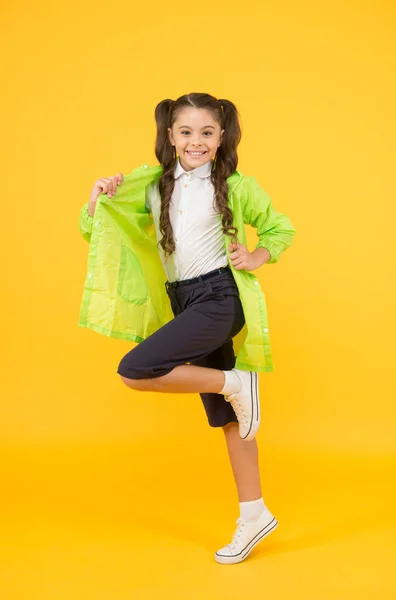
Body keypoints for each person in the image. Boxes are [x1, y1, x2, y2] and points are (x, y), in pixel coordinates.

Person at [79, 92, 296, 564]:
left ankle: (236, 382)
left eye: (207, 132)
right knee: (229, 417)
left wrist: (255, 255)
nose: (196, 141)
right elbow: (98, 229)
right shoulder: (152, 185)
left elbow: (281, 230)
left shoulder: (236, 186)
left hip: (220, 298)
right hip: (185, 301)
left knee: (135, 369)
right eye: (186, 131)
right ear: (170, 136)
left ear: (221, 138)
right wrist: (99, 198)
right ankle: (254, 513)